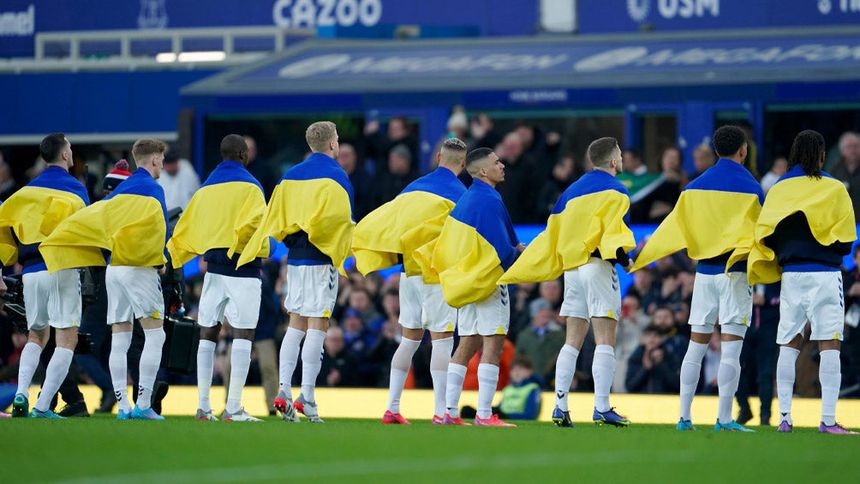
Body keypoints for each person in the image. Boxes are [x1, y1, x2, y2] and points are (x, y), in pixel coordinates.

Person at [632, 125, 765, 432]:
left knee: (696, 346)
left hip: (704, 274)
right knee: (731, 349)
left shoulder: (693, 188)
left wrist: (641, 257)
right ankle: (724, 419)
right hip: (735, 274)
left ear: (715, 150)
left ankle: (684, 417)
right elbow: (763, 236)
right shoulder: (753, 188)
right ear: (743, 150)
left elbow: (670, 229)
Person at [501, 136, 636, 428]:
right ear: (614, 160)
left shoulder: (570, 192)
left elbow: (552, 233)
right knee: (605, 338)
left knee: (572, 340)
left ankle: (560, 407)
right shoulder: (617, 191)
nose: (623, 159)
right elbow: (613, 237)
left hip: (572, 271)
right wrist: (627, 261)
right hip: (597, 267)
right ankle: (602, 407)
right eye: (620, 155)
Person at [41, 138, 170, 420]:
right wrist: (160, 258)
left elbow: (96, 218)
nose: (162, 164)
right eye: (161, 159)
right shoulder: (153, 189)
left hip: (115, 270)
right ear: (155, 159)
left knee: (120, 338)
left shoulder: (121, 191)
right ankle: (143, 404)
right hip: (139, 268)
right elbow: (161, 228)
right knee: (155, 334)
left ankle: (123, 406)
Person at [239, 121, 354, 423]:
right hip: (321, 259)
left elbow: (276, 216)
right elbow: (342, 221)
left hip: (295, 259)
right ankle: (308, 397)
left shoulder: (289, 176)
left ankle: (283, 391)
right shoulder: (337, 176)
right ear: (333, 144)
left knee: (296, 323)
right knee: (318, 324)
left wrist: (292, 240)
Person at [747, 129, 858, 434]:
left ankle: (784, 418)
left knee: (788, 342)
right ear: (822, 155)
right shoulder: (835, 188)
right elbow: (847, 239)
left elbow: (766, 233)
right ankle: (828, 420)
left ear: (794, 154)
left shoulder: (779, 189)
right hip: (826, 274)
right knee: (830, 344)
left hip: (792, 275)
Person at [352, 137, 468, 424]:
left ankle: (392, 407)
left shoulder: (412, 188)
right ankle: (442, 412)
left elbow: (390, 222)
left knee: (408, 340)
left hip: (409, 274)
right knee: (442, 340)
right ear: (463, 164)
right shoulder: (461, 193)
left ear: (438, 157)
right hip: (437, 274)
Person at [167, 134, 269, 422]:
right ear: (243, 154)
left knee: (208, 331)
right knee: (244, 333)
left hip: (212, 270)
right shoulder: (251, 187)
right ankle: (233, 407)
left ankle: (203, 406)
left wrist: (178, 256)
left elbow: (189, 226)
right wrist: (266, 247)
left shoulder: (205, 189)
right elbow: (256, 227)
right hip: (243, 269)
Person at [428, 147, 523, 427]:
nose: (502, 165)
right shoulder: (490, 199)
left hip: (468, 282)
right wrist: (520, 254)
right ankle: (483, 414)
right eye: (496, 162)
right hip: (488, 282)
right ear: (483, 171)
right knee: (493, 344)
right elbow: (501, 248)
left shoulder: (467, 199)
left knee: (467, 343)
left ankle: (449, 411)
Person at [0, 133, 89, 418]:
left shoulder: (25, 192)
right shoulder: (76, 189)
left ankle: (21, 394)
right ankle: (42, 406)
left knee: (36, 335)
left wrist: (5, 262)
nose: (72, 152)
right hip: (62, 267)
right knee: (66, 338)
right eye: (70, 148)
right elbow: (87, 230)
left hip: (31, 272)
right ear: (64, 155)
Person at [735, 282, 780, 426]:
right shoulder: (744, 275)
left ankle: (765, 415)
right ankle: (744, 408)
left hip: (769, 330)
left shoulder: (775, 275)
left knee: (765, 374)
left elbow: (784, 298)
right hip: (744, 328)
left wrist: (767, 299)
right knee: (736, 369)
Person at [461, 356, 542, 421]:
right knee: (466, 410)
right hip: (502, 415)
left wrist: (504, 415)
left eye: (520, 369)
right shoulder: (507, 389)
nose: (516, 372)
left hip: (511, 417)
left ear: (529, 371)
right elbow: (500, 407)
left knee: (494, 411)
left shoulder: (533, 388)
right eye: (514, 369)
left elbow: (531, 415)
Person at [625, 324, 682, 394]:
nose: (652, 338)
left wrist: (660, 364)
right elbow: (630, 387)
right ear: (642, 338)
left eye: (656, 335)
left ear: (662, 339)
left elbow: (676, 386)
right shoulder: (635, 357)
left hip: (664, 399)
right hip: (640, 399)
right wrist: (645, 369)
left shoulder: (670, 357)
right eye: (648, 335)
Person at [831, 131, 860, 218]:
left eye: (856, 146)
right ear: (842, 150)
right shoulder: (835, 170)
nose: (853, 150)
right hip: (844, 219)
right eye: (849, 147)